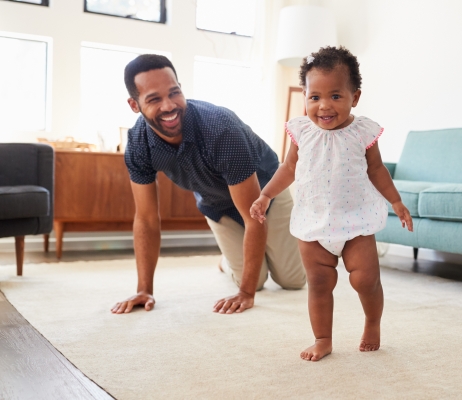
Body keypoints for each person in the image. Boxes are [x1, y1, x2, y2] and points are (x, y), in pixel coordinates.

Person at [250, 46, 413, 361]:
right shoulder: (301, 132)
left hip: (356, 221)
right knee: (319, 283)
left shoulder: (363, 131)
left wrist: (396, 201)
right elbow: (288, 169)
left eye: (336, 96)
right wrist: (266, 194)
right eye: (315, 97)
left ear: (355, 96)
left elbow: (377, 170)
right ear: (305, 97)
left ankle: (372, 321)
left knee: (366, 279)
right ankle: (322, 338)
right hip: (313, 221)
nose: (324, 105)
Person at [111, 54, 306, 315]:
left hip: (265, 195)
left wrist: (245, 295)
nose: (169, 106)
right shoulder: (138, 144)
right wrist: (144, 289)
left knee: (292, 281)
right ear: (134, 105)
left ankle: (264, 259)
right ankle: (228, 262)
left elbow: (253, 216)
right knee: (257, 281)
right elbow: (146, 219)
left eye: (174, 92)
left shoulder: (220, 129)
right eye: (154, 99)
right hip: (217, 205)